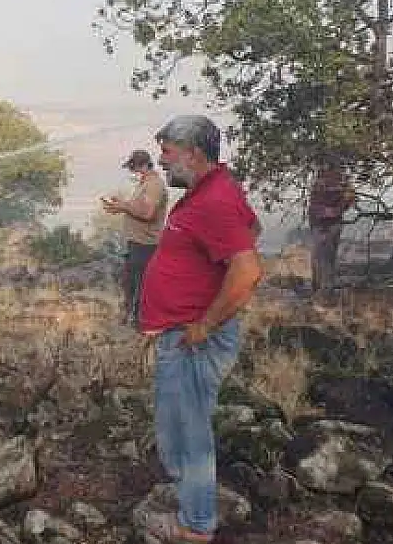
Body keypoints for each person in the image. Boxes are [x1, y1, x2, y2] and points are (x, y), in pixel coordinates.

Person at [137, 116, 263, 543]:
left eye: (168, 152)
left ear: (192, 153)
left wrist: (206, 323)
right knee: (177, 427)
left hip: (194, 339)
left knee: (189, 433)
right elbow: (251, 229)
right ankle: (192, 503)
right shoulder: (207, 191)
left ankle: (195, 525)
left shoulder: (215, 200)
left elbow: (246, 271)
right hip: (182, 335)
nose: (161, 159)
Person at [102, 149, 169, 327]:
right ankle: (134, 325)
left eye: (134, 168)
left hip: (144, 246)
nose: (133, 173)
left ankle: (139, 328)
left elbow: (148, 213)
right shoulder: (145, 184)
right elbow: (139, 209)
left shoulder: (154, 185)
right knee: (131, 288)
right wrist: (121, 206)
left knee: (139, 290)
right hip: (137, 245)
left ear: (142, 166)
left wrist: (124, 206)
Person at [307, 156, 354, 295]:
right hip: (318, 221)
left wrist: (336, 210)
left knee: (328, 255)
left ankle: (326, 290)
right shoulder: (319, 179)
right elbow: (313, 202)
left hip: (332, 222)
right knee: (318, 255)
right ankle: (318, 288)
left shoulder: (343, 179)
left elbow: (350, 198)